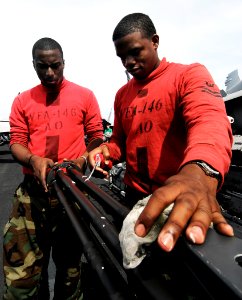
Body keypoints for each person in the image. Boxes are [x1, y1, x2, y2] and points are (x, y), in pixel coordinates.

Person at [88, 13, 234, 254]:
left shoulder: (188, 75)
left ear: (154, 41)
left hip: (179, 199)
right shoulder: (122, 95)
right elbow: (119, 143)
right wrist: (106, 152)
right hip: (133, 198)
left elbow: (209, 120)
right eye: (122, 57)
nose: (128, 62)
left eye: (135, 52)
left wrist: (200, 172)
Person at [3, 37, 103, 299]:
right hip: (32, 197)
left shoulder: (85, 95)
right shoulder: (23, 100)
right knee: (21, 276)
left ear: (63, 63)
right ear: (34, 65)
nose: (49, 73)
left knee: (70, 271)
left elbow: (96, 136)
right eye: (42, 67)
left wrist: (82, 158)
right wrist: (33, 160)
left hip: (72, 195)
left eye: (55, 66)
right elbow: (16, 142)